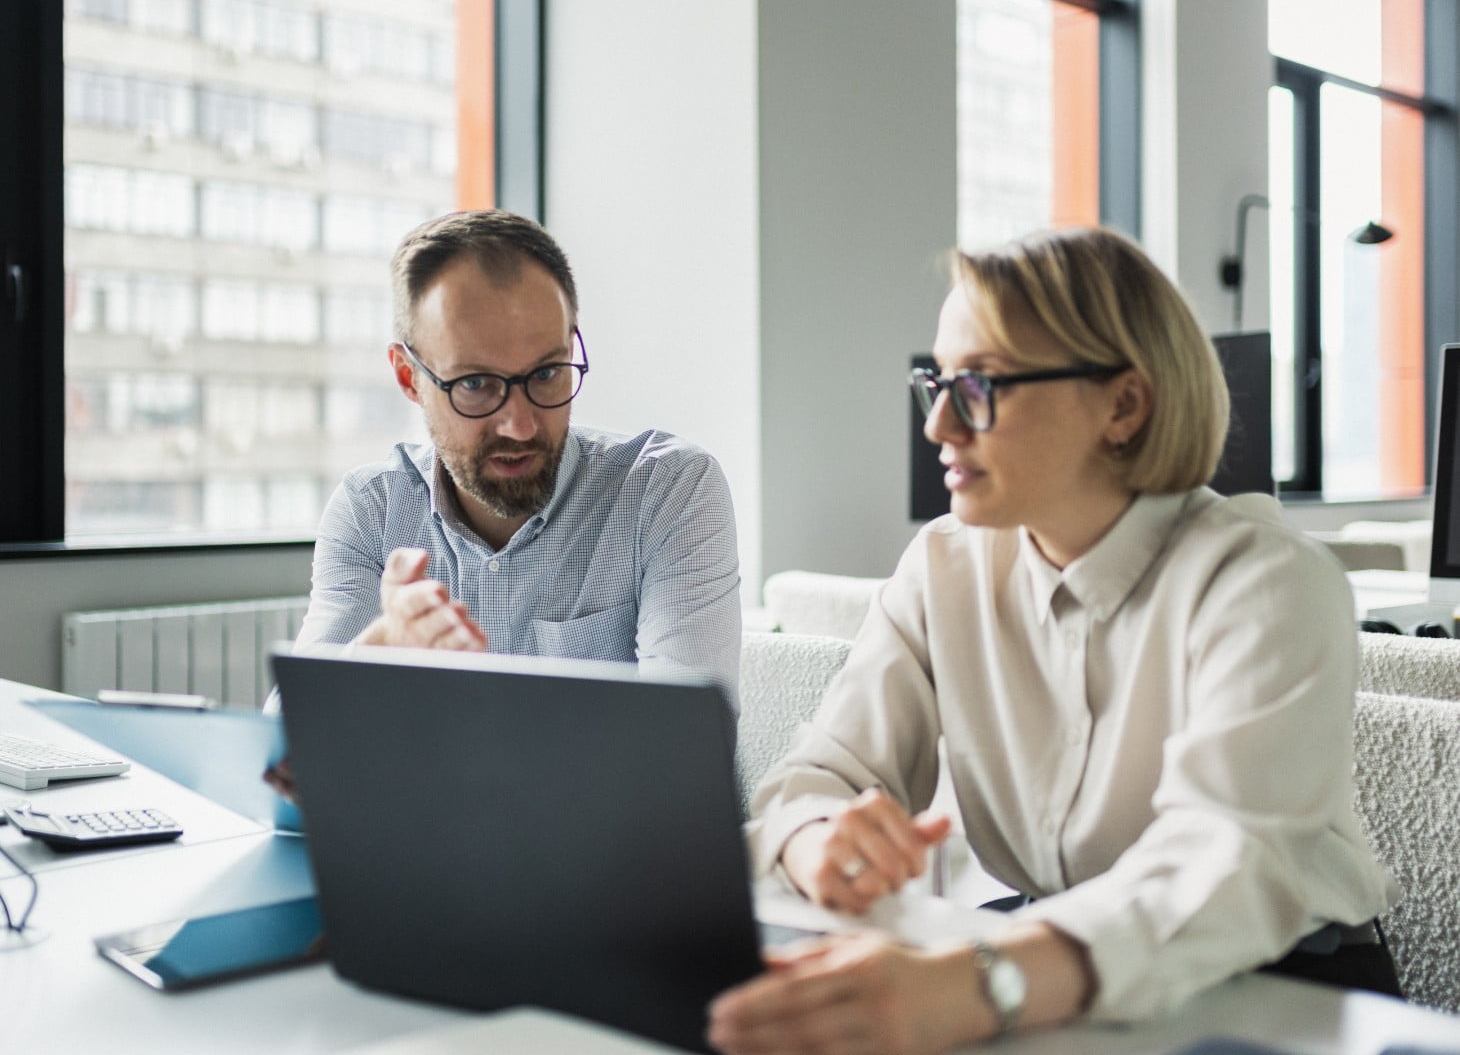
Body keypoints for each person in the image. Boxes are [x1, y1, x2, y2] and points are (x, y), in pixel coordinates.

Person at [707, 226, 1397, 1055]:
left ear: (1123, 405)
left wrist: (980, 980)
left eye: (980, 386)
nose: (937, 426)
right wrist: (820, 838)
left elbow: (1223, 862)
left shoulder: (1266, 581)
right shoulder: (943, 565)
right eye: (935, 382)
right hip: (1046, 962)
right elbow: (817, 775)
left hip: (1278, 989)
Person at [291, 208, 740, 704]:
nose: (521, 425)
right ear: (408, 377)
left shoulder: (666, 492)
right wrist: (377, 657)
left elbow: (682, 754)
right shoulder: (371, 510)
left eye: (546, 373)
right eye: (477, 384)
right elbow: (284, 760)